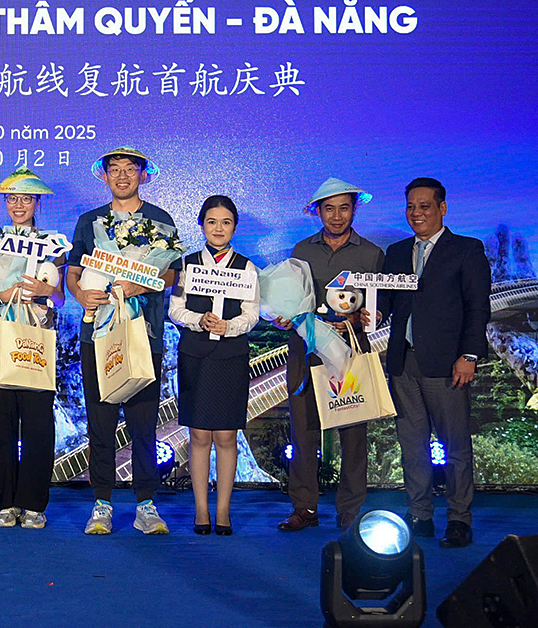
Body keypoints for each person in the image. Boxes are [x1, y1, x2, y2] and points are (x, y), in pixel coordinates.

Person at [66, 146, 177, 536]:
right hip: (97, 335)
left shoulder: (160, 221)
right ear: (105, 176)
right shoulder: (89, 222)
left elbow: (171, 276)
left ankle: (146, 504)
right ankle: (102, 503)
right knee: (101, 422)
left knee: (143, 424)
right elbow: (73, 273)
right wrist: (80, 294)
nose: (122, 175)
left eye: (130, 169)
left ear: (143, 175)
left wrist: (138, 285)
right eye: (115, 169)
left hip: (145, 335)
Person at [380, 178, 490, 548]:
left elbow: (477, 308)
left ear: (442, 208)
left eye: (424, 206)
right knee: (412, 446)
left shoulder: (467, 250)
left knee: (455, 446)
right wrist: (370, 313)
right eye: (411, 206)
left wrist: (469, 355)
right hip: (403, 363)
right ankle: (420, 515)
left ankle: (458, 519)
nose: (416, 213)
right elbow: (387, 303)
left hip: (448, 365)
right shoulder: (396, 252)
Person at [273, 178, 383, 532]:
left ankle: (350, 509)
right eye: (329, 208)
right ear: (318, 212)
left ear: (355, 209)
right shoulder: (301, 250)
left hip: (350, 350)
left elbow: (382, 306)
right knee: (304, 432)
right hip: (305, 351)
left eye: (344, 208)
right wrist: (282, 315)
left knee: (353, 432)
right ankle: (304, 507)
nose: (337, 216)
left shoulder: (371, 254)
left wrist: (368, 317)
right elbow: (291, 297)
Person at [0, 168, 64, 530]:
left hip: (37, 338)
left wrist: (47, 292)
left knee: (38, 424)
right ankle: (6, 502)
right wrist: (2, 294)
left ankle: (34, 504)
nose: (18, 205)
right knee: (0, 424)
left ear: (37, 203)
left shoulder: (53, 245)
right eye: (12, 198)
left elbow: (61, 298)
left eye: (26, 199)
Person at [168, 195, 259, 535]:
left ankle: (223, 511)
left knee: (226, 435)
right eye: (211, 222)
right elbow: (175, 310)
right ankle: (201, 511)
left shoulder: (247, 268)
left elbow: (251, 314)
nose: (218, 228)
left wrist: (228, 326)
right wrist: (199, 320)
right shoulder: (187, 264)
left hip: (231, 356)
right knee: (198, 434)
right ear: (201, 225)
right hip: (195, 354)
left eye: (226, 222)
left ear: (234, 227)